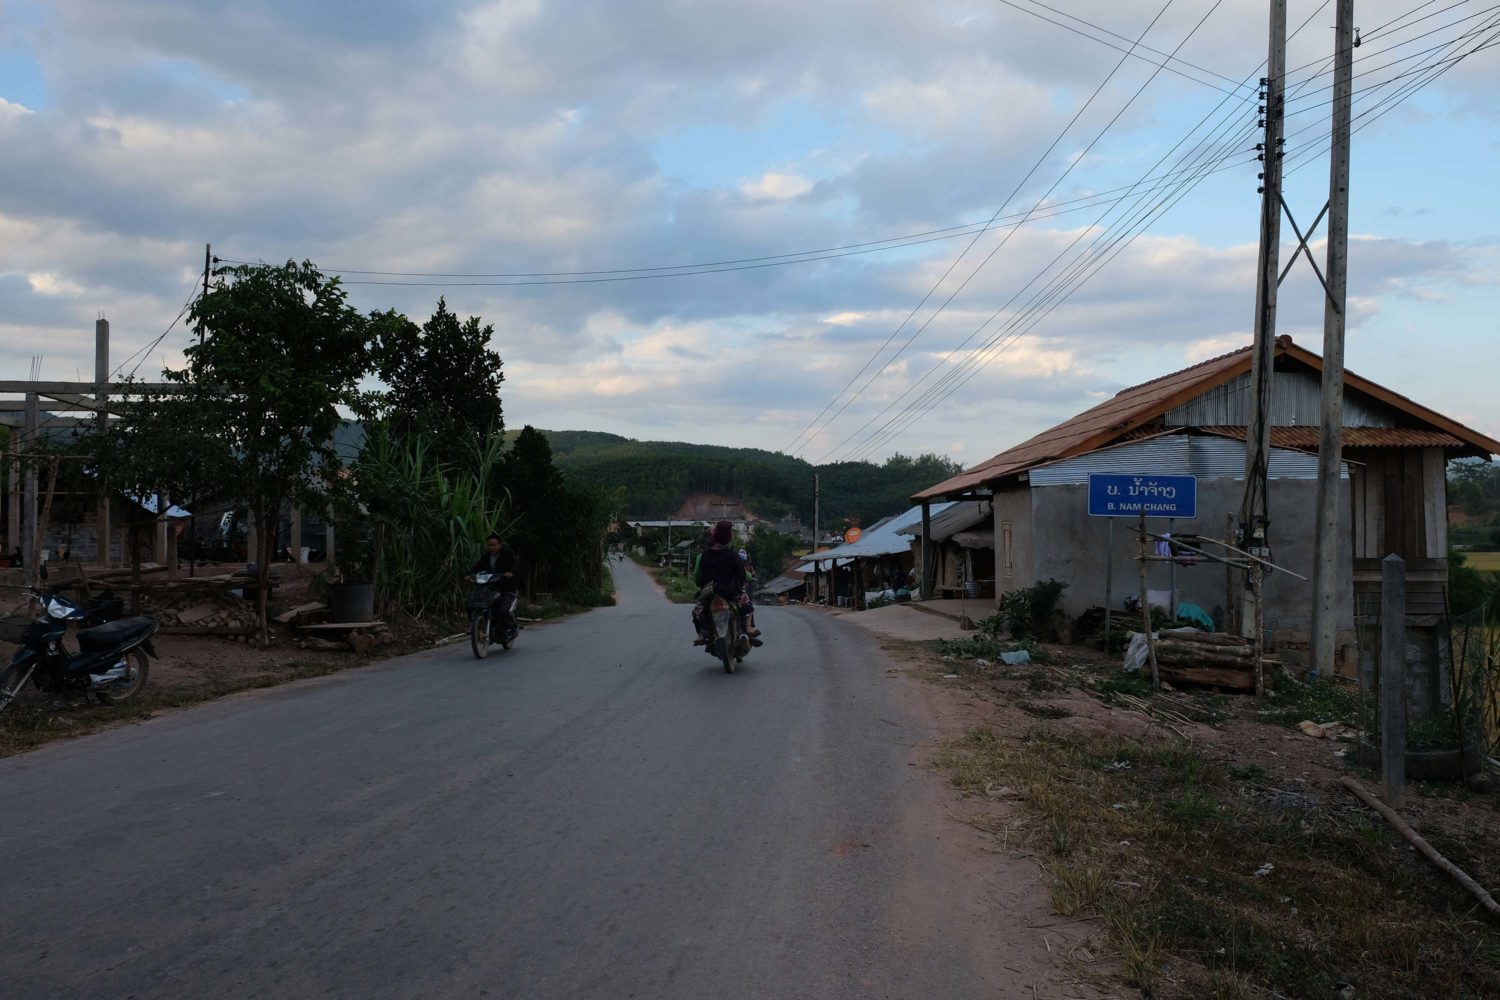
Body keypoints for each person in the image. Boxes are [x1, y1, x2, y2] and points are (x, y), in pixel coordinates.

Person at [691, 520, 760, 646]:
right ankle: (749, 627)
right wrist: (739, 587)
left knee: (698, 611)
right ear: (729, 538)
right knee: (746, 603)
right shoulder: (732, 555)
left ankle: (701, 634)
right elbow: (742, 574)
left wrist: (702, 586)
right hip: (730, 593)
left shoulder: (704, 556)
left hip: (710, 594)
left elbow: (699, 576)